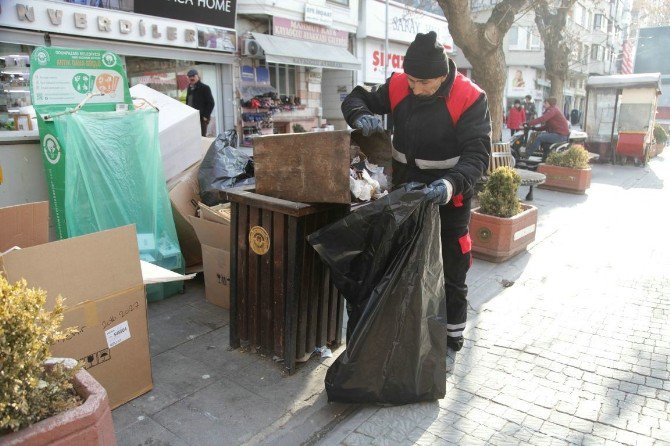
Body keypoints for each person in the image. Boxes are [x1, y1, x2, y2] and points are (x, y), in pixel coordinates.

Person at [341, 31, 491, 355]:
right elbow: (355, 97)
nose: (416, 89)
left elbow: (477, 156)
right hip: (404, 194)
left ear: (443, 74)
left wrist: (448, 186)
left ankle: (451, 340)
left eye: (425, 83)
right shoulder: (398, 85)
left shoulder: (469, 98)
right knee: (400, 264)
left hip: (449, 196)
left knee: (452, 268)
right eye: (412, 81)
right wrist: (360, 114)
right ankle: (404, 333)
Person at [185, 69, 215, 136]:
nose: (191, 78)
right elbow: (188, 101)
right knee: (192, 137)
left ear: (197, 76)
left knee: (201, 137)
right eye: (189, 76)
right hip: (191, 117)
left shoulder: (205, 88)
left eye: (193, 76)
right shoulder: (189, 88)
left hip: (201, 118)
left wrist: (205, 116)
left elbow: (211, 103)